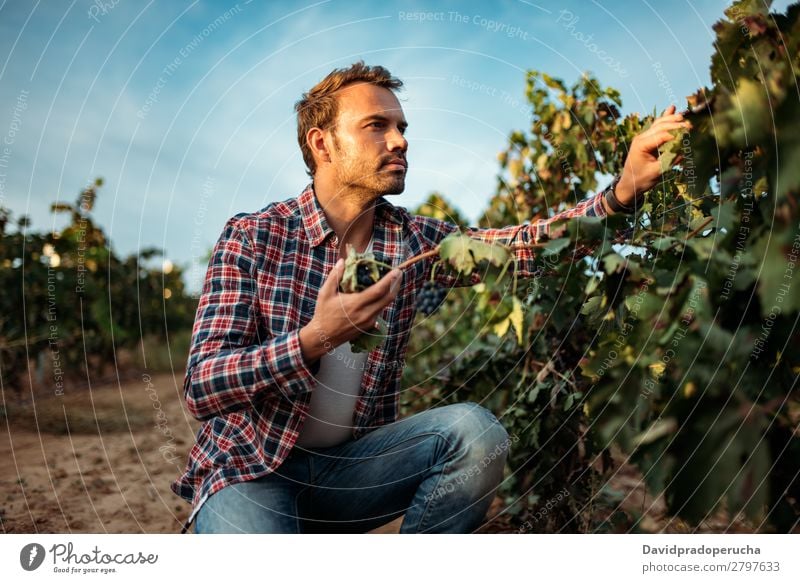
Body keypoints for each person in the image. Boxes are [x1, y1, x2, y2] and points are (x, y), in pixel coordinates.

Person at [171, 61, 690, 534]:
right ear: (322, 143)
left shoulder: (412, 243)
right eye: (377, 126)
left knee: (475, 434)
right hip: (249, 470)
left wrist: (621, 192)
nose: (399, 141)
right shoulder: (254, 236)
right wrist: (315, 338)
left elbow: (521, 247)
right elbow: (203, 385)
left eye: (401, 128)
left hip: (350, 477)